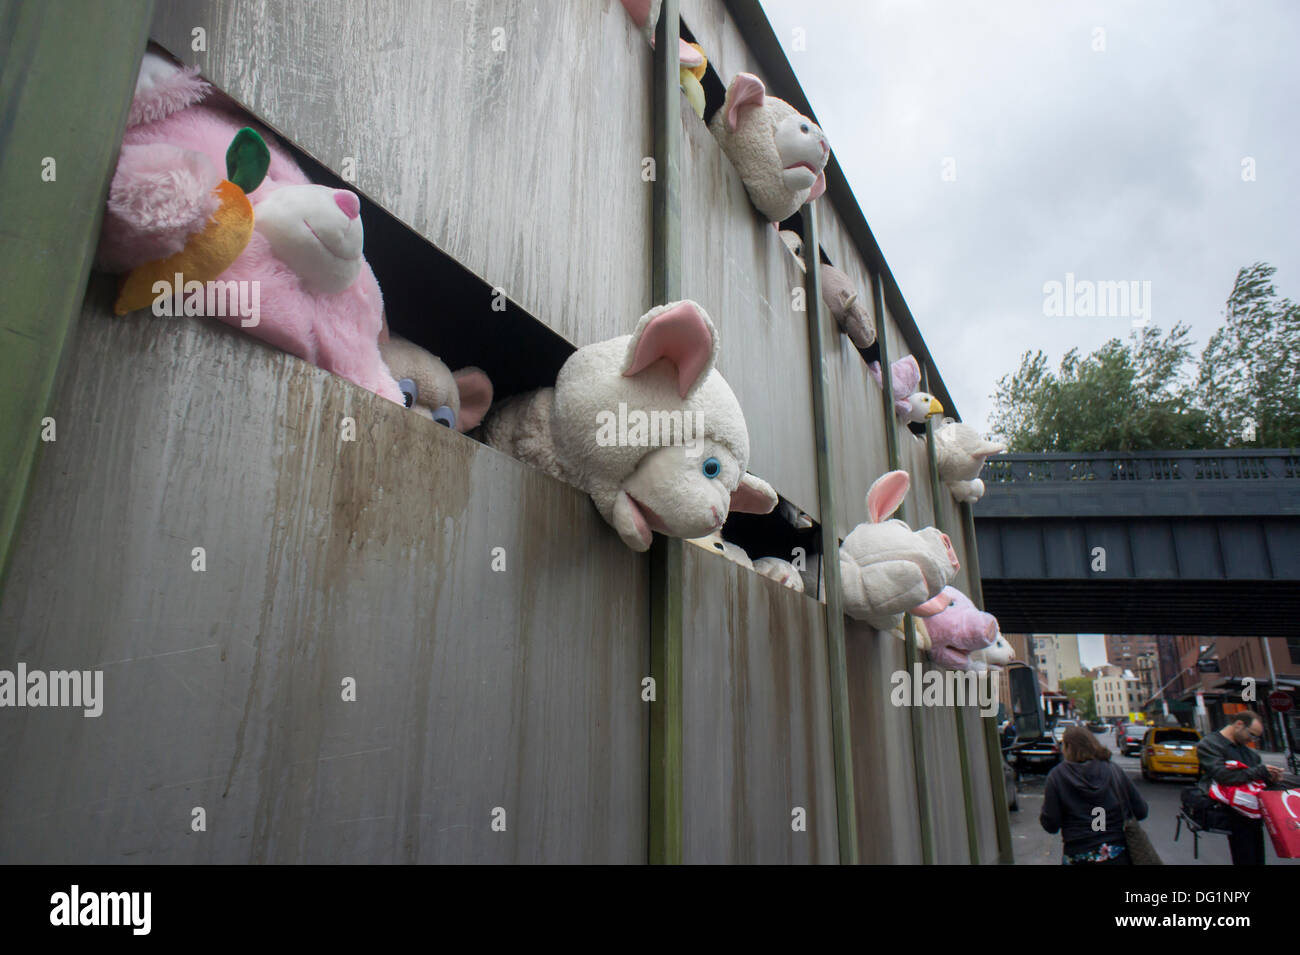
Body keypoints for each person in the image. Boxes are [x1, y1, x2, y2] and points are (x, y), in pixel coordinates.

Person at [1040, 726, 1148, 865]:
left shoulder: (1057, 777)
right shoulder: (1113, 770)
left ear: (1067, 747)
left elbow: (1051, 825)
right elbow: (1141, 811)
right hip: (1115, 854)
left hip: (1078, 854)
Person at [1196, 710, 1284, 865]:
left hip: (1252, 812)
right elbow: (1223, 776)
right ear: (1239, 724)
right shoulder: (1210, 744)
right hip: (1230, 811)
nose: (1252, 740)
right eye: (1251, 734)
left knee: (1256, 856)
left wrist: (1270, 778)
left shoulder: (1250, 753)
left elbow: (1255, 781)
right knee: (1244, 856)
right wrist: (1260, 771)